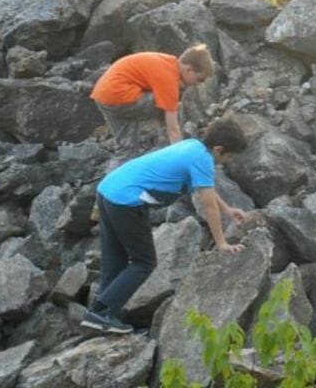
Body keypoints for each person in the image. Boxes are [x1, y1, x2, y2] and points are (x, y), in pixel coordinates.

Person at [81, 118, 249, 334]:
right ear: (219, 149)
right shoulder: (203, 159)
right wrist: (221, 243)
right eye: (228, 157)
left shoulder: (193, 146)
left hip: (108, 190)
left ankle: (101, 315)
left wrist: (227, 209)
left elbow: (206, 187)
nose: (226, 162)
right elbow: (208, 206)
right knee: (144, 261)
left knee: (117, 260)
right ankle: (101, 313)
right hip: (126, 200)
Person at [90, 45, 214, 163]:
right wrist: (180, 157)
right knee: (170, 106)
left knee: (126, 150)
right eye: (199, 79)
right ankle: (169, 157)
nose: (199, 84)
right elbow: (173, 129)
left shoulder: (167, 62)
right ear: (189, 70)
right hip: (120, 96)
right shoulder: (168, 80)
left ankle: (112, 184)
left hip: (103, 95)